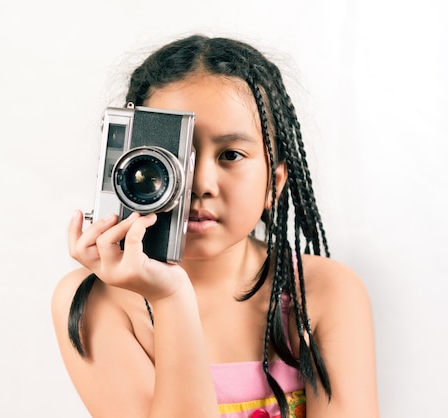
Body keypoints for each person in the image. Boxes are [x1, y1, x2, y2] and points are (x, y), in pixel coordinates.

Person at [52, 35, 378, 418]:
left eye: (231, 155)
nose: (201, 183)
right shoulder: (95, 304)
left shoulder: (324, 293)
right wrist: (170, 298)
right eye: (176, 155)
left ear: (274, 183)